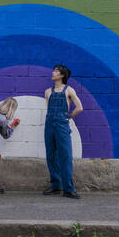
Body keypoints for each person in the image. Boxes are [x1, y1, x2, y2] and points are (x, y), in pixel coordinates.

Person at [43, 65, 83, 199]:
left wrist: (68, 117)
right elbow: (48, 109)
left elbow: (79, 108)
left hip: (62, 124)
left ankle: (68, 189)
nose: (53, 73)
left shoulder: (69, 90)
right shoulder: (48, 91)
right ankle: (55, 186)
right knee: (50, 155)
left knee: (65, 156)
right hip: (49, 124)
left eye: (56, 71)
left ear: (62, 75)